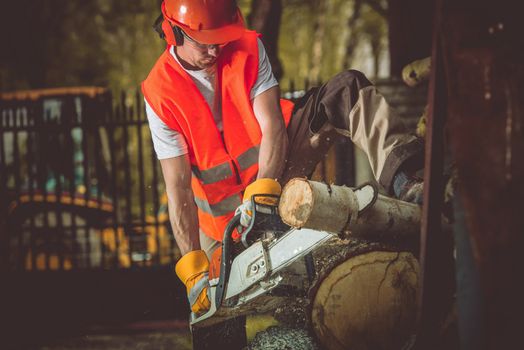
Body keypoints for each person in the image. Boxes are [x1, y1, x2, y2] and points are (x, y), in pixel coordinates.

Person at [142, 0, 424, 315]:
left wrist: (263, 190)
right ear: (173, 33)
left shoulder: (246, 47)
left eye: (221, 39)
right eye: (206, 43)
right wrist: (193, 264)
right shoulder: (159, 92)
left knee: (346, 90)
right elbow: (178, 186)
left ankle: (409, 180)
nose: (215, 50)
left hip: (277, 169)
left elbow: (273, 127)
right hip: (221, 224)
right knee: (219, 310)